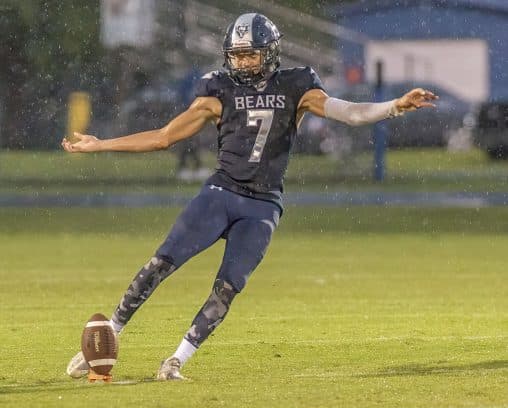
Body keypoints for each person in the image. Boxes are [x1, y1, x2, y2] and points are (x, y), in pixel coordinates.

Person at [63, 13, 438, 380]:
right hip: (221, 192)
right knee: (162, 261)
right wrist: (101, 144)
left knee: (228, 287)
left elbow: (349, 113)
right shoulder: (217, 89)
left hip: (262, 205)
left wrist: (394, 106)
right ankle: (111, 332)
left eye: (250, 54)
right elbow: (164, 137)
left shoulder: (297, 85)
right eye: (237, 54)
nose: (243, 62)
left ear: (270, 53)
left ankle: (176, 360)